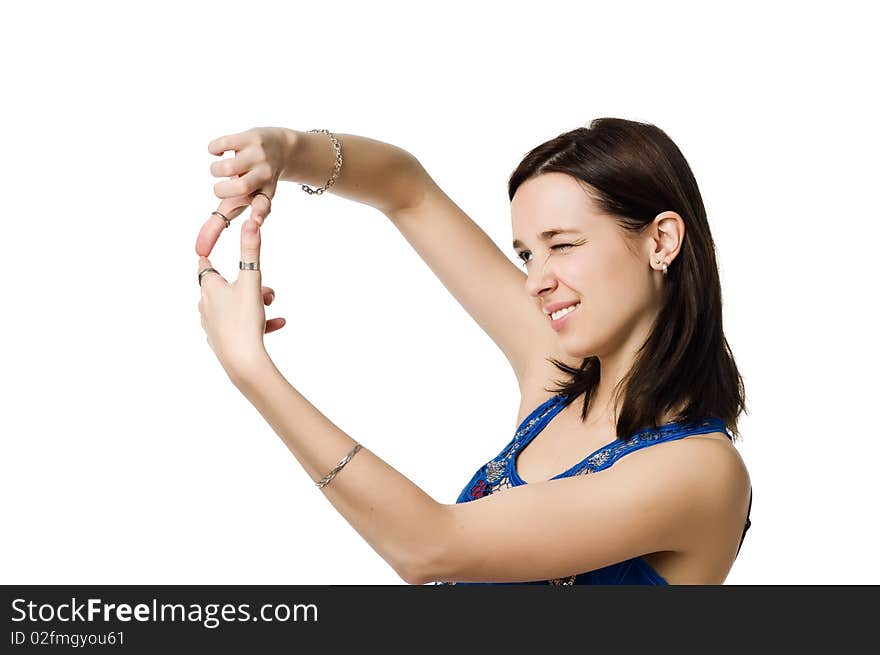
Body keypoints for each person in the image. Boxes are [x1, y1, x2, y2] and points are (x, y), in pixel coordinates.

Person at [195, 119, 752, 585]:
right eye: (527, 254)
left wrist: (254, 371)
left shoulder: (699, 471)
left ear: (661, 241)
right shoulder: (558, 378)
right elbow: (405, 189)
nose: (536, 281)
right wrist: (286, 152)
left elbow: (427, 548)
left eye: (561, 245)